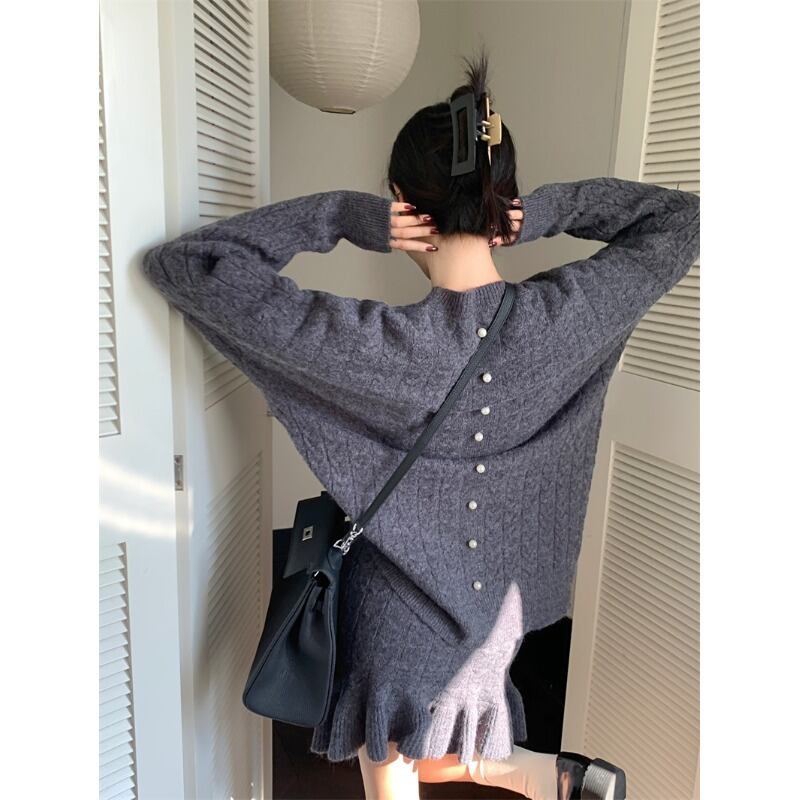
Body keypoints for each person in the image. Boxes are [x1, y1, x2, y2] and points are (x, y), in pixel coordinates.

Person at [142, 46, 697, 800]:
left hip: (394, 611)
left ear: (406, 206)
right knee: (442, 734)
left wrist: (348, 218)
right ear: (502, 203)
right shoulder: (568, 320)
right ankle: (549, 776)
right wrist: (547, 214)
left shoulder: (369, 346)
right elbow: (680, 220)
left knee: (394, 756)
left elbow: (189, 265)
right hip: (497, 615)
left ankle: (542, 776)